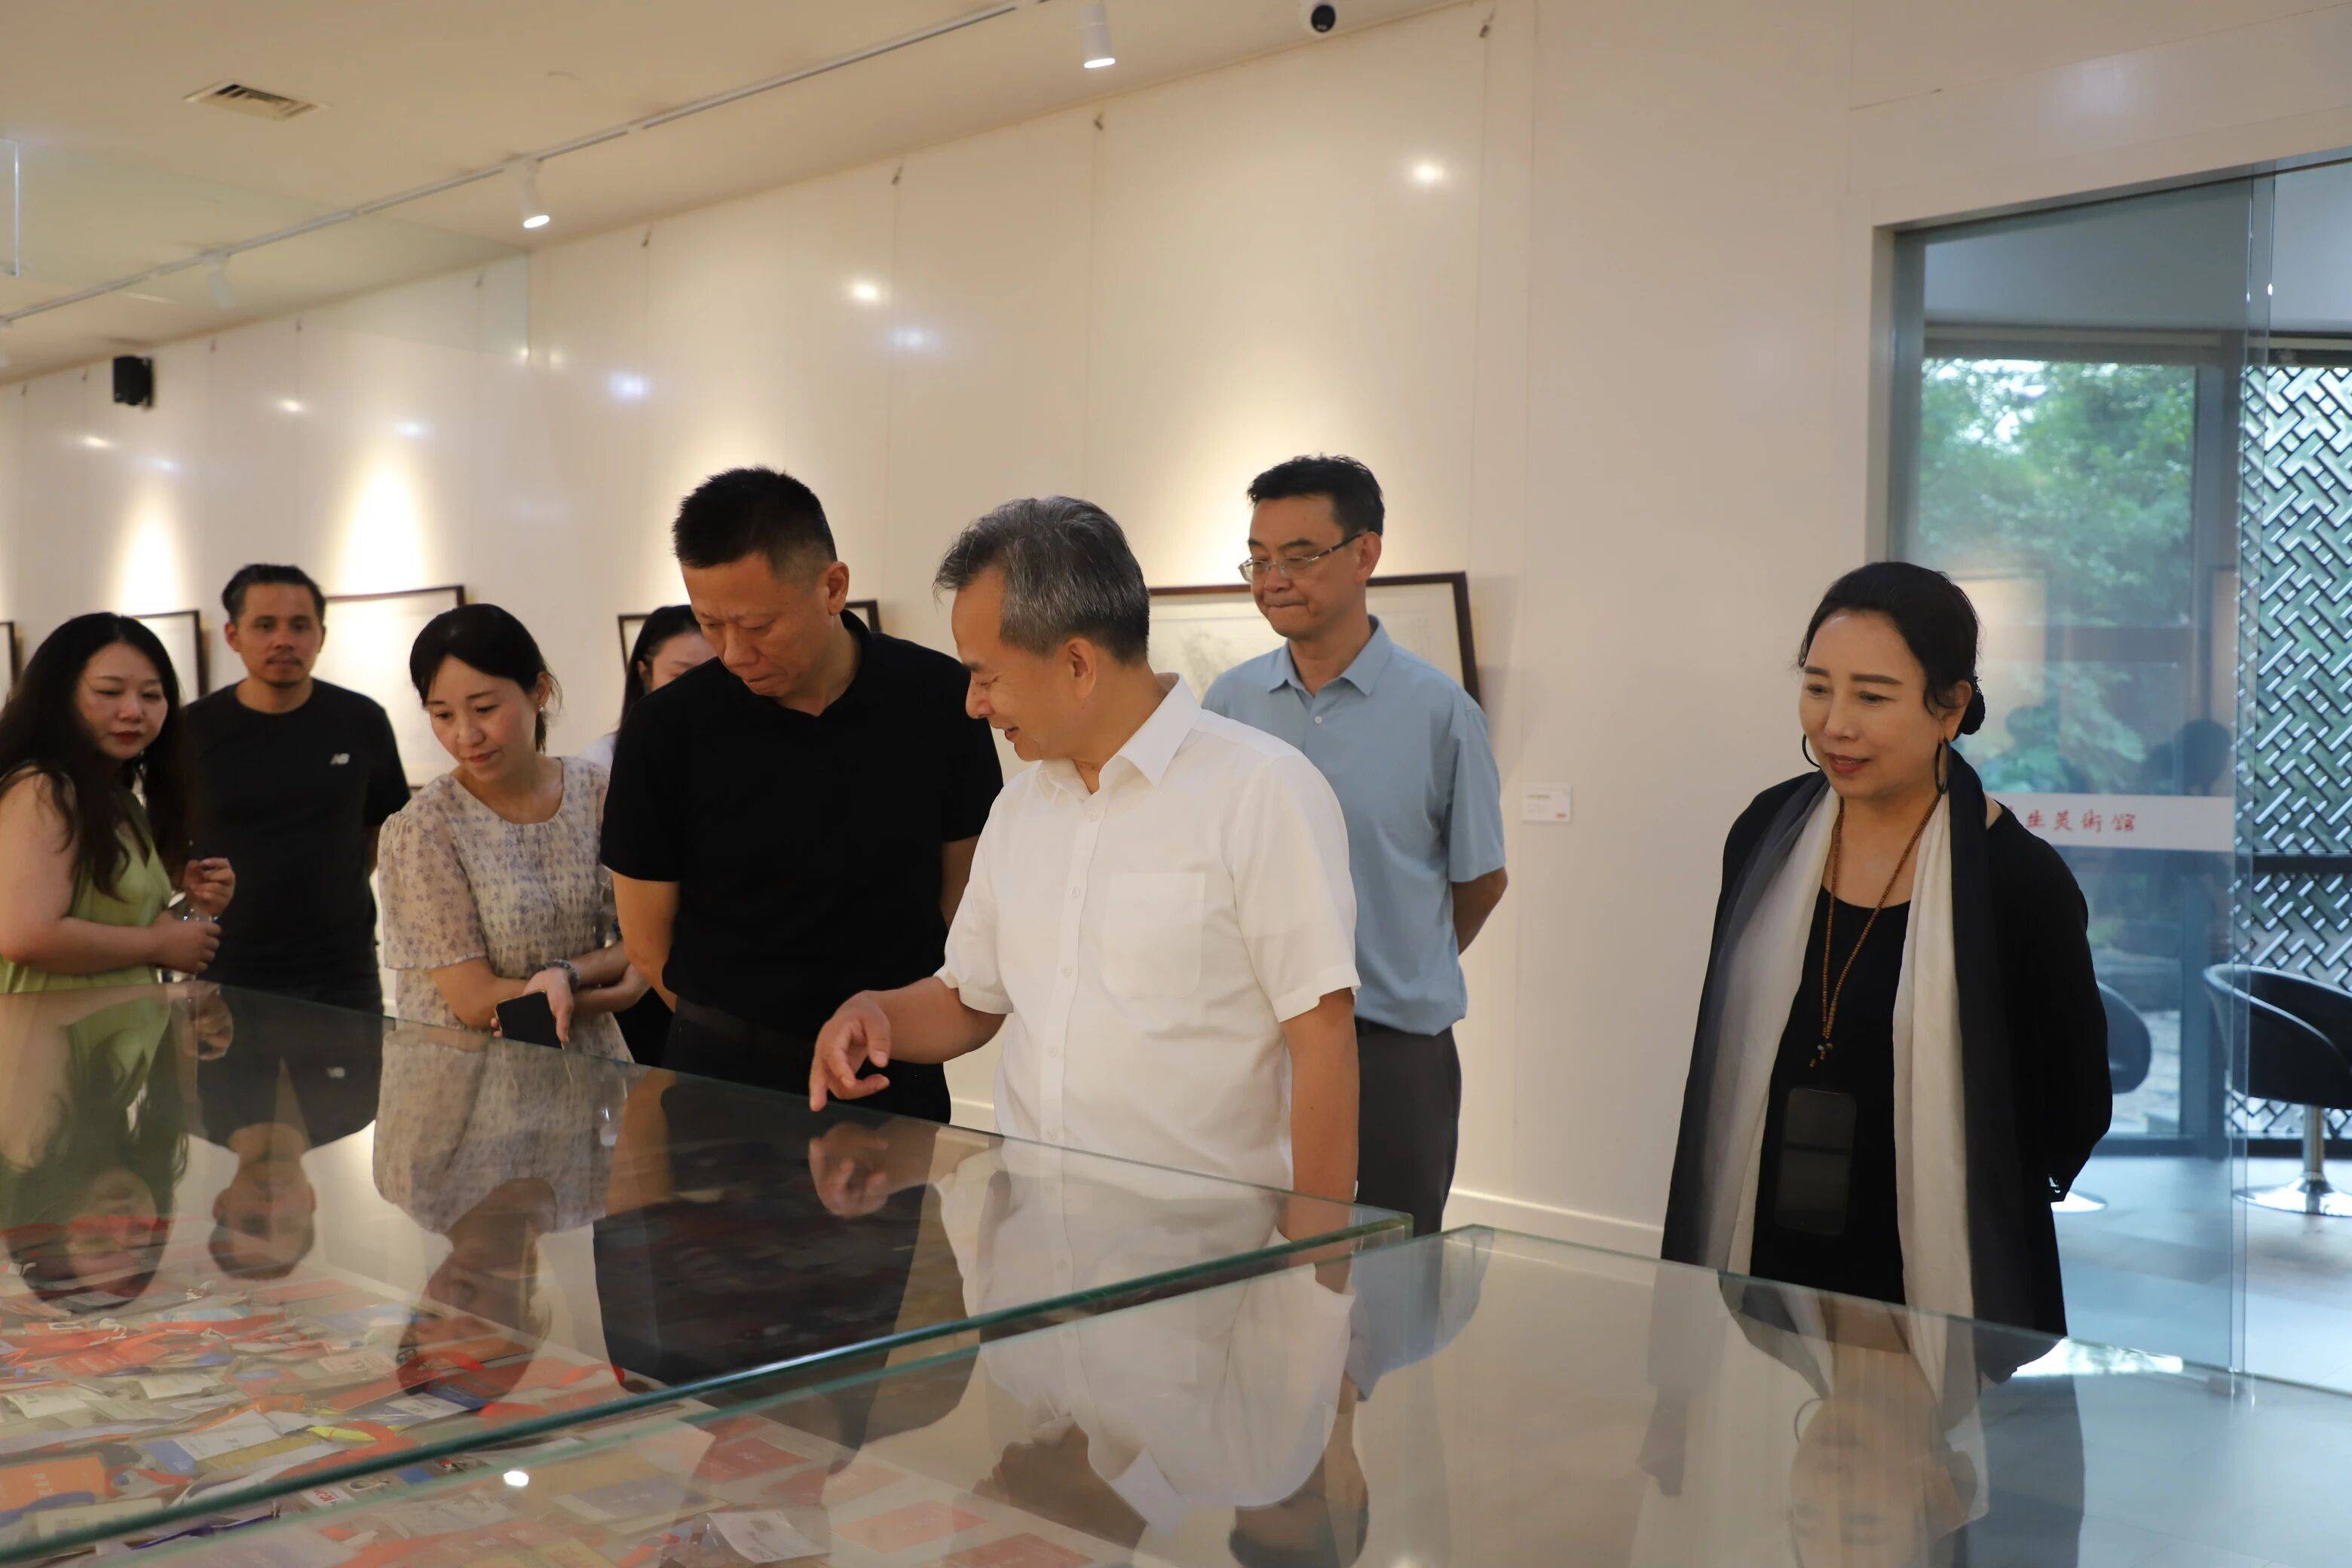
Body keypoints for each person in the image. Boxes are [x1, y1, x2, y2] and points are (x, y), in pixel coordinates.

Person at [810, 496, 1363, 1205]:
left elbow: (1323, 1046)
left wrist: (1316, 1261)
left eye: (986, 676)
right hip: (1029, 1238)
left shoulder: (1262, 790)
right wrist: (877, 1014)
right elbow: (971, 996)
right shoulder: (1020, 809)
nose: (973, 704)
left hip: (1201, 1249)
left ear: (1077, 663)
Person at [1662, 562, 2112, 1336]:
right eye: (1818, 687)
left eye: (1871, 696)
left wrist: (1973, 1178)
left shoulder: (2016, 878)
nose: (1835, 724)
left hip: (1927, 1252)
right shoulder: (1767, 831)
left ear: (1951, 707)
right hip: (1769, 1226)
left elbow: (2073, 1097)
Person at [603, 467, 1002, 1118]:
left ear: (832, 587)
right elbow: (647, 943)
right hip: (720, 1079)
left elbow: (964, 900)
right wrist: (747, 1035)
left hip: (888, 1068)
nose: (733, 653)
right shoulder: (665, 729)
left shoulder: (937, 700)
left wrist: (888, 1025)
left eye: (758, 626)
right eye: (711, 624)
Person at [1205, 455, 1507, 1234]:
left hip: (1392, 1051)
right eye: (1259, 560)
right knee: (1244, 1264)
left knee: (1389, 1273)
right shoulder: (1228, 703)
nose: (1274, 580)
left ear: (1365, 553)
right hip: (1253, 1045)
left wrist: (1402, 962)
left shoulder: (1441, 712)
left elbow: (1481, 881)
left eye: (1299, 556)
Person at [376, 605, 642, 1057]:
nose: (466, 735)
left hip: (585, 1059)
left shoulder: (595, 791)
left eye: (484, 709)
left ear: (540, 691)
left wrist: (566, 975)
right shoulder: (426, 829)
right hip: (471, 1071)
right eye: (443, 716)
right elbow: (474, 1001)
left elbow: (643, 938)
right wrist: (607, 991)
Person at [187, 565, 409, 1013]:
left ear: (321, 636)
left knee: (353, 1067)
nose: (283, 640)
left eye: (300, 626)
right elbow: (163, 837)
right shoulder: (192, 728)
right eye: (265, 625)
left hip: (342, 965)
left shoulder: (361, 720)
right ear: (233, 636)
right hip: (226, 960)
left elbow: (384, 827)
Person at [0, 614, 233, 992]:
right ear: (59, 697)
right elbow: (26, 936)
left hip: (117, 1022)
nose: (133, 712)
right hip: (49, 1025)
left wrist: (195, 904)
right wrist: (158, 944)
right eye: (109, 692)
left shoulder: (120, 799)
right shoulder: (43, 788)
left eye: (151, 695)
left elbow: (121, 938)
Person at [578, 605, 715, 772]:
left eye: (714, 674)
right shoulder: (601, 762)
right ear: (646, 674)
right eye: (681, 675)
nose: (701, 687)